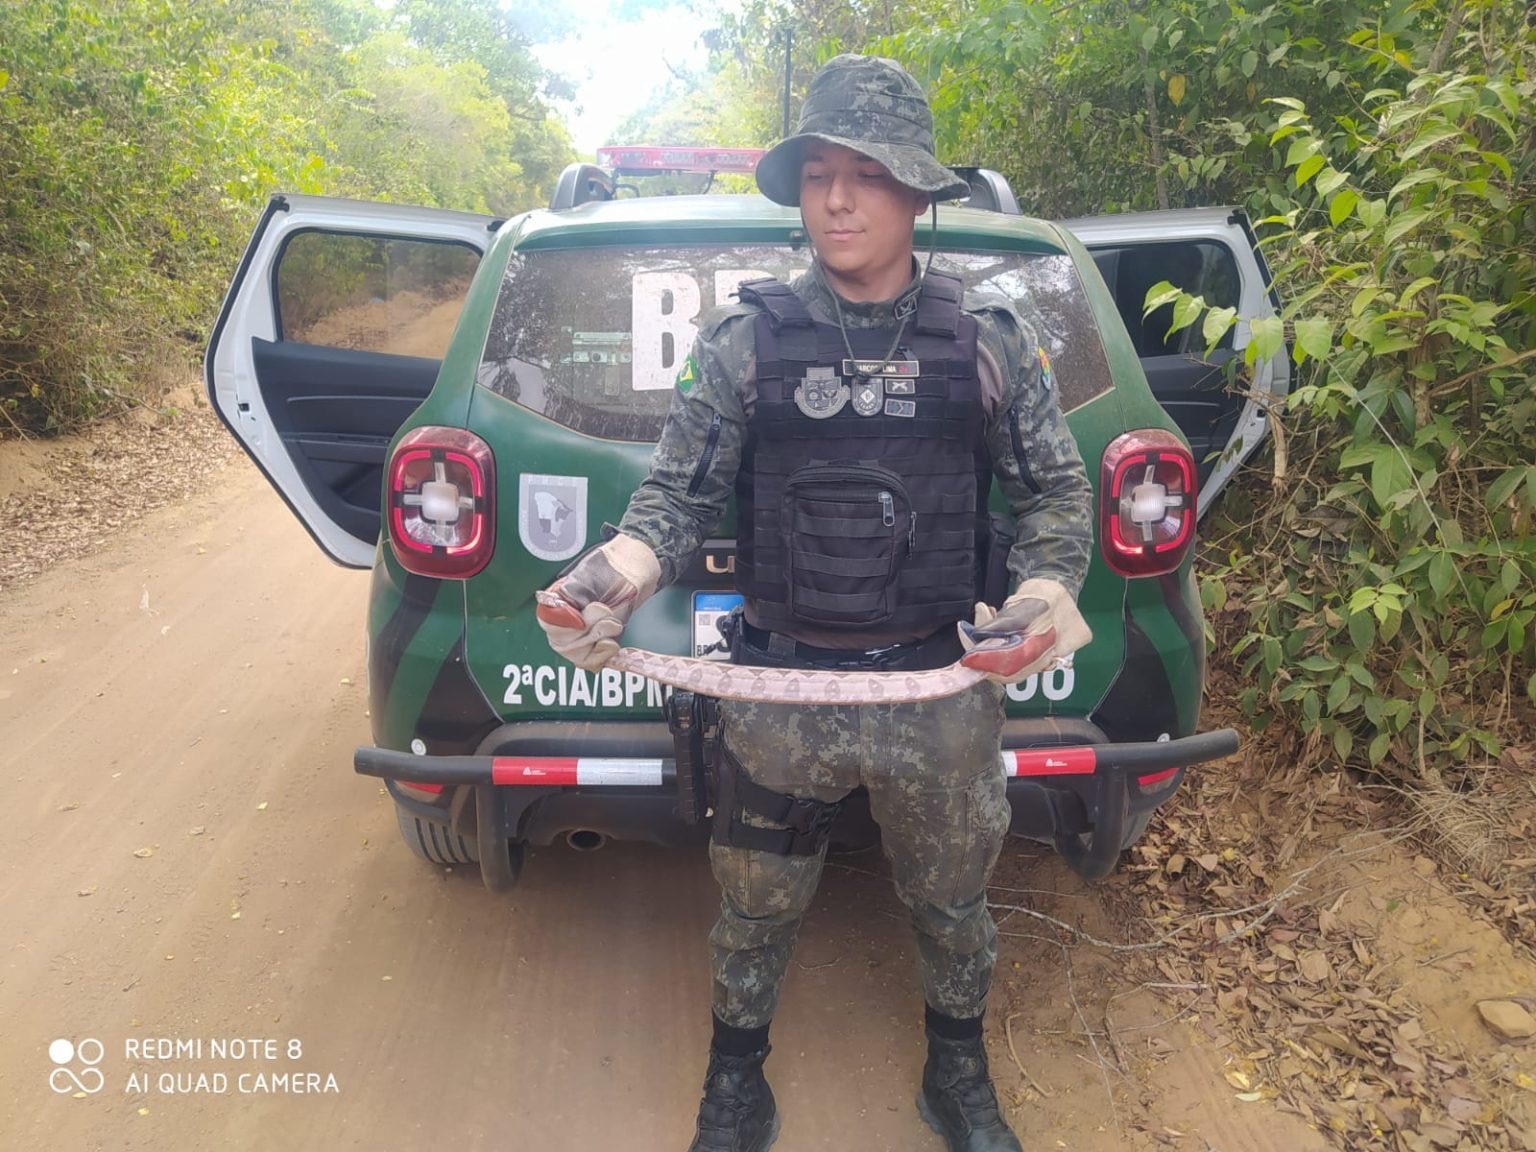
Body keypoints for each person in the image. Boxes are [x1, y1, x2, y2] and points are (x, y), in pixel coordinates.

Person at [537, 53, 1094, 1152]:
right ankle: (736, 1084)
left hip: (939, 689)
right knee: (756, 905)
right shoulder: (744, 342)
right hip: (781, 688)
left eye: (868, 174)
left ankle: (957, 1076)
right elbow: (674, 496)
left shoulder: (987, 342)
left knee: (949, 904)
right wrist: (614, 577)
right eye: (819, 172)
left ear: (918, 193)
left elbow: (1057, 490)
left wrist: (1043, 589)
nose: (837, 198)